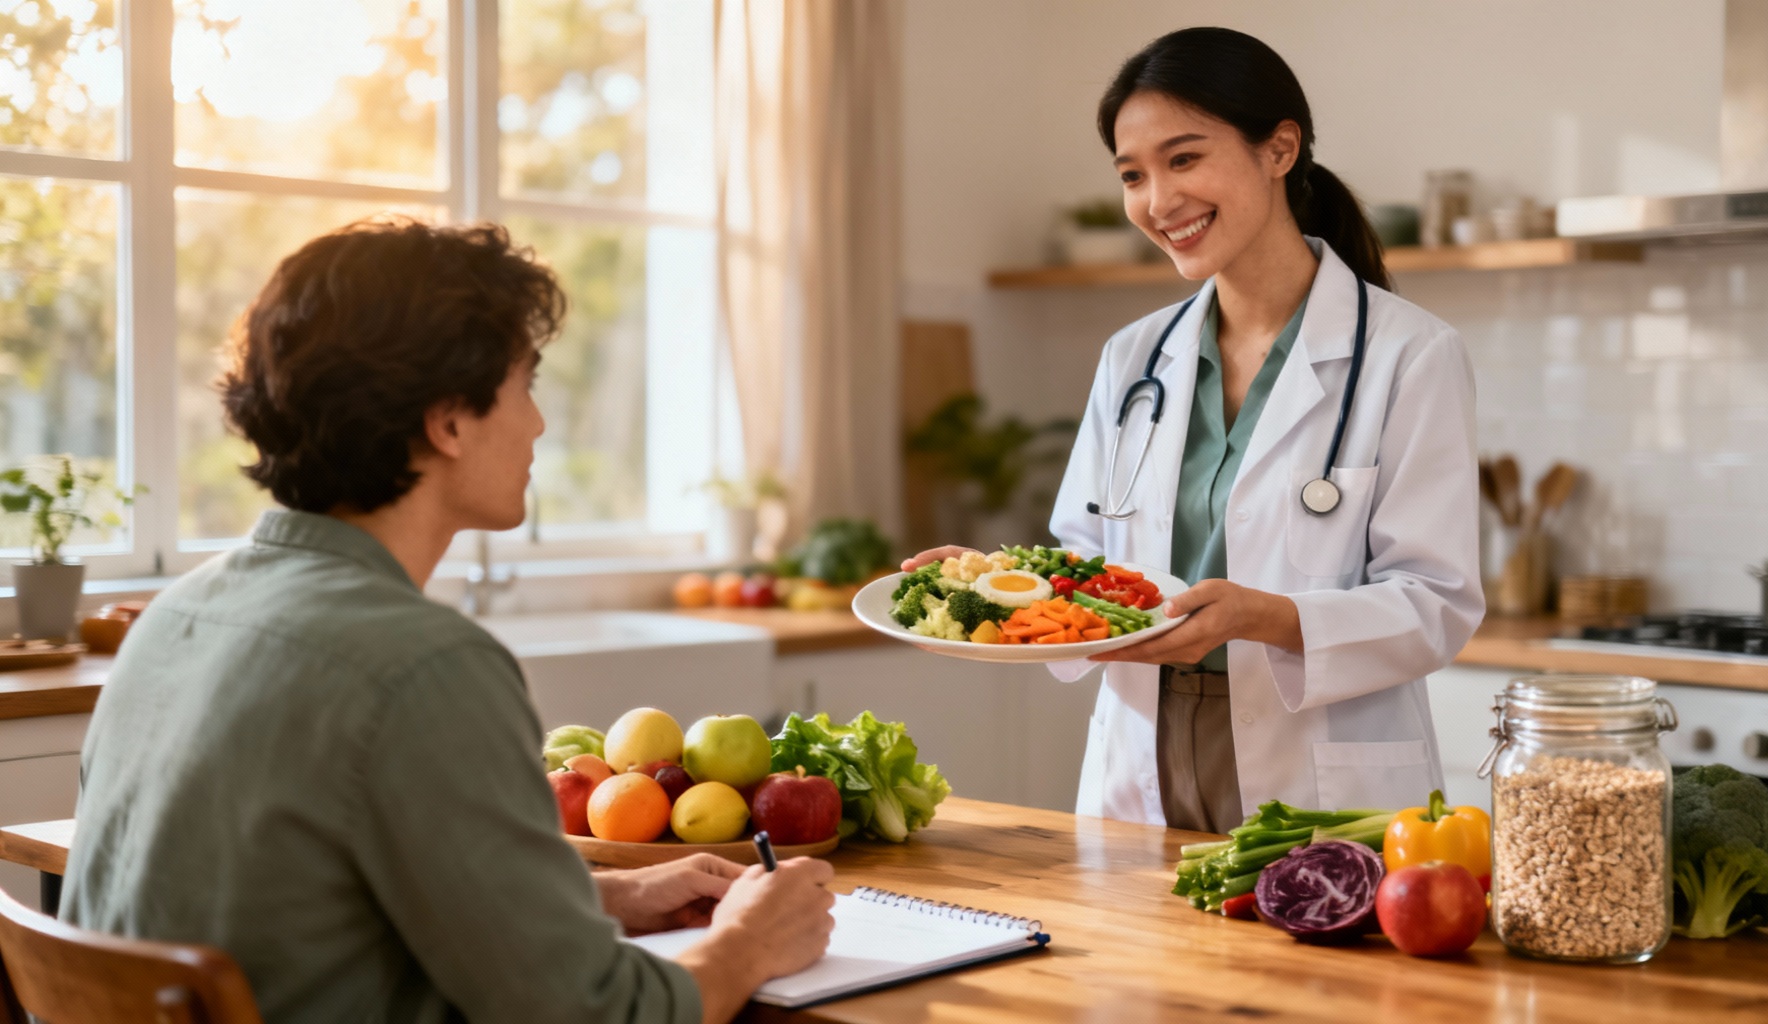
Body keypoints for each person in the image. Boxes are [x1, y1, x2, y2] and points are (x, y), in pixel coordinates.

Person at [60, 218, 835, 1024]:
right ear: (449, 421)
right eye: (525, 384)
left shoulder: (174, 619)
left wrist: (600, 897)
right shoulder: (423, 668)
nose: (538, 423)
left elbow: (304, 903)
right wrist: (749, 941)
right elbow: (595, 1017)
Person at [907, 28, 1483, 830]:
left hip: (1315, 755)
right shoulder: (1135, 356)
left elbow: (1436, 603)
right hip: (1144, 740)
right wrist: (993, 588)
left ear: (1279, 149)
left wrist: (1264, 617)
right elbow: (1088, 557)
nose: (1157, 201)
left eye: (1183, 159)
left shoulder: (1409, 355)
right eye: (1132, 175)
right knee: (1128, 921)